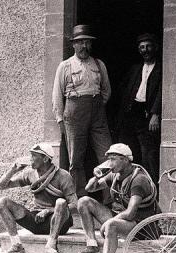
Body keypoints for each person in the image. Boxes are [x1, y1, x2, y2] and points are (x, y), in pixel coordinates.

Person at [66, 143, 160, 253]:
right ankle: (92, 247)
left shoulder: (138, 180)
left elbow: (130, 213)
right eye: (109, 159)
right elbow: (89, 189)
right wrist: (97, 176)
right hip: (123, 219)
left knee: (112, 225)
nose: (110, 163)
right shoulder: (115, 175)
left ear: (125, 160)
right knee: (84, 201)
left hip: (142, 225)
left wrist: (109, 221)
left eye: (113, 159)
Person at [52, 24, 112, 198]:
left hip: (97, 112)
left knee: (107, 154)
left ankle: (110, 199)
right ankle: (78, 199)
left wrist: (96, 105)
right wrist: (60, 120)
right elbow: (57, 95)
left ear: (91, 45)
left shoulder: (99, 64)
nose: (84, 46)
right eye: (80, 42)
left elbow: (106, 91)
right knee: (75, 159)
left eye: (87, 43)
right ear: (73, 44)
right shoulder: (65, 66)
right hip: (74, 113)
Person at [0, 142, 78, 253]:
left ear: (45, 158)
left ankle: (51, 246)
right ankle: (16, 246)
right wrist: (13, 170)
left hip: (58, 222)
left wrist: (48, 211)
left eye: (34, 156)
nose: (30, 159)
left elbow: (75, 205)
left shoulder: (63, 176)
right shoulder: (30, 174)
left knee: (61, 202)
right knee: (2, 202)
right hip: (36, 220)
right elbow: (1, 186)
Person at [116, 33, 162, 186]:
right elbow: (124, 90)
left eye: (148, 46)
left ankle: (150, 188)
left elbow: (163, 91)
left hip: (147, 115)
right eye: (142, 47)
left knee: (148, 154)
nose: (145, 50)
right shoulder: (135, 69)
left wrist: (155, 114)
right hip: (131, 113)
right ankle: (130, 187)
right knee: (129, 153)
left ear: (155, 47)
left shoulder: (161, 68)